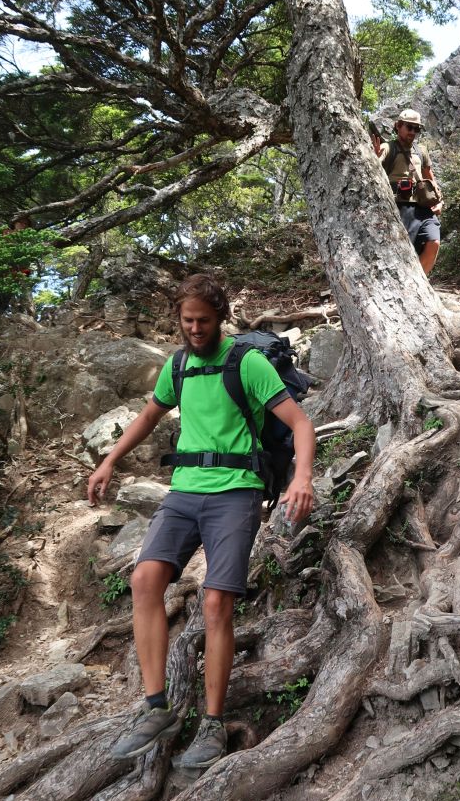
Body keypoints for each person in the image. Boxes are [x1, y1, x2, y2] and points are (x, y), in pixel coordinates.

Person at [87, 273, 315, 769]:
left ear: (220, 319)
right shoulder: (178, 366)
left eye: (203, 321)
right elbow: (149, 417)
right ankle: (156, 708)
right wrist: (109, 460)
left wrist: (302, 478)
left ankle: (211, 725)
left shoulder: (247, 363)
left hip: (236, 494)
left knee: (215, 603)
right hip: (185, 492)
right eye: (187, 320)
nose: (194, 329)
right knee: (145, 579)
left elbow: (300, 423)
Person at [373, 108, 443, 275]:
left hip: (424, 207)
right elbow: (372, 167)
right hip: (400, 208)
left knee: (434, 242)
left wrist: (439, 201)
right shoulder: (388, 148)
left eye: (416, 128)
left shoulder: (422, 151)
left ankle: (420, 282)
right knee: (404, 251)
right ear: (398, 126)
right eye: (409, 127)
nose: (413, 131)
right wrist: (373, 157)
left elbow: (430, 179)